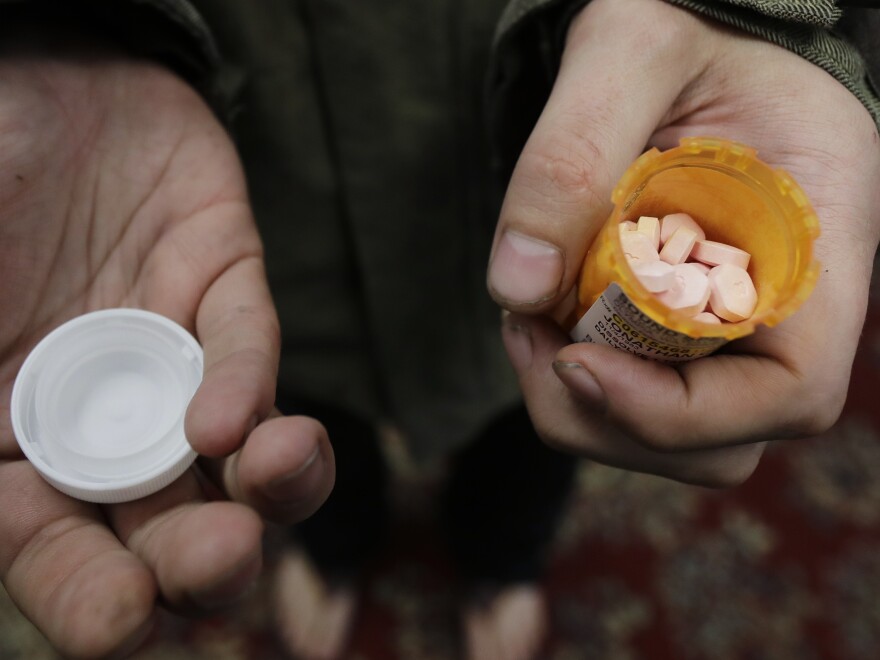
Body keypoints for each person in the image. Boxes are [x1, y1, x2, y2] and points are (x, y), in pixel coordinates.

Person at [0, 0, 877, 658]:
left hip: (524, 156)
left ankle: (501, 559)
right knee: (288, 425)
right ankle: (340, 546)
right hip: (254, 210)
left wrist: (752, 14)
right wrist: (51, 29)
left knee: (547, 418)